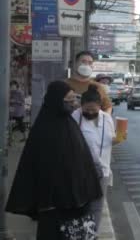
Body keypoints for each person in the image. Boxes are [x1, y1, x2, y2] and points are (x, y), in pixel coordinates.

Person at [6, 81, 101, 239]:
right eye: (68, 100)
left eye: (73, 99)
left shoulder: (70, 123)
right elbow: (36, 166)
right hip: (52, 204)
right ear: (56, 100)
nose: (73, 104)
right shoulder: (44, 128)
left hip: (75, 201)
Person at [73, 85, 122, 232]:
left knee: (97, 206)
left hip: (102, 170)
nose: (90, 112)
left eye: (93, 110)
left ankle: (91, 234)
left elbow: (110, 139)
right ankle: (79, 232)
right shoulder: (75, 116)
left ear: (99, 107)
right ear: (81, 106)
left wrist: (118, 139)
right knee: (82, 205)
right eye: (86, 109)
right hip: (80, 170)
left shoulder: (107, 118)